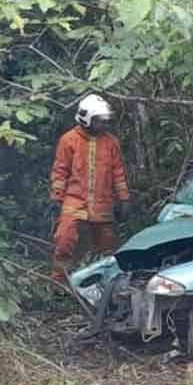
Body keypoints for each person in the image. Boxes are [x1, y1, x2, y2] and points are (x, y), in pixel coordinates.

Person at [50, 94, 131, 282]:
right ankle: (59, 281)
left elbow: (118, 173)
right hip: (75, 199)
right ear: (86, 118)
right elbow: (60, 170)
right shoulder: (69, 139)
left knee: (107, 244)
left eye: (105, 121)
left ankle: (105, 283)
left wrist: (124, 199)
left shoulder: (111, 142)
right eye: (99, 121)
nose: (103, 125)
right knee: (64, 238)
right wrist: (56, 197)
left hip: (103, 200)